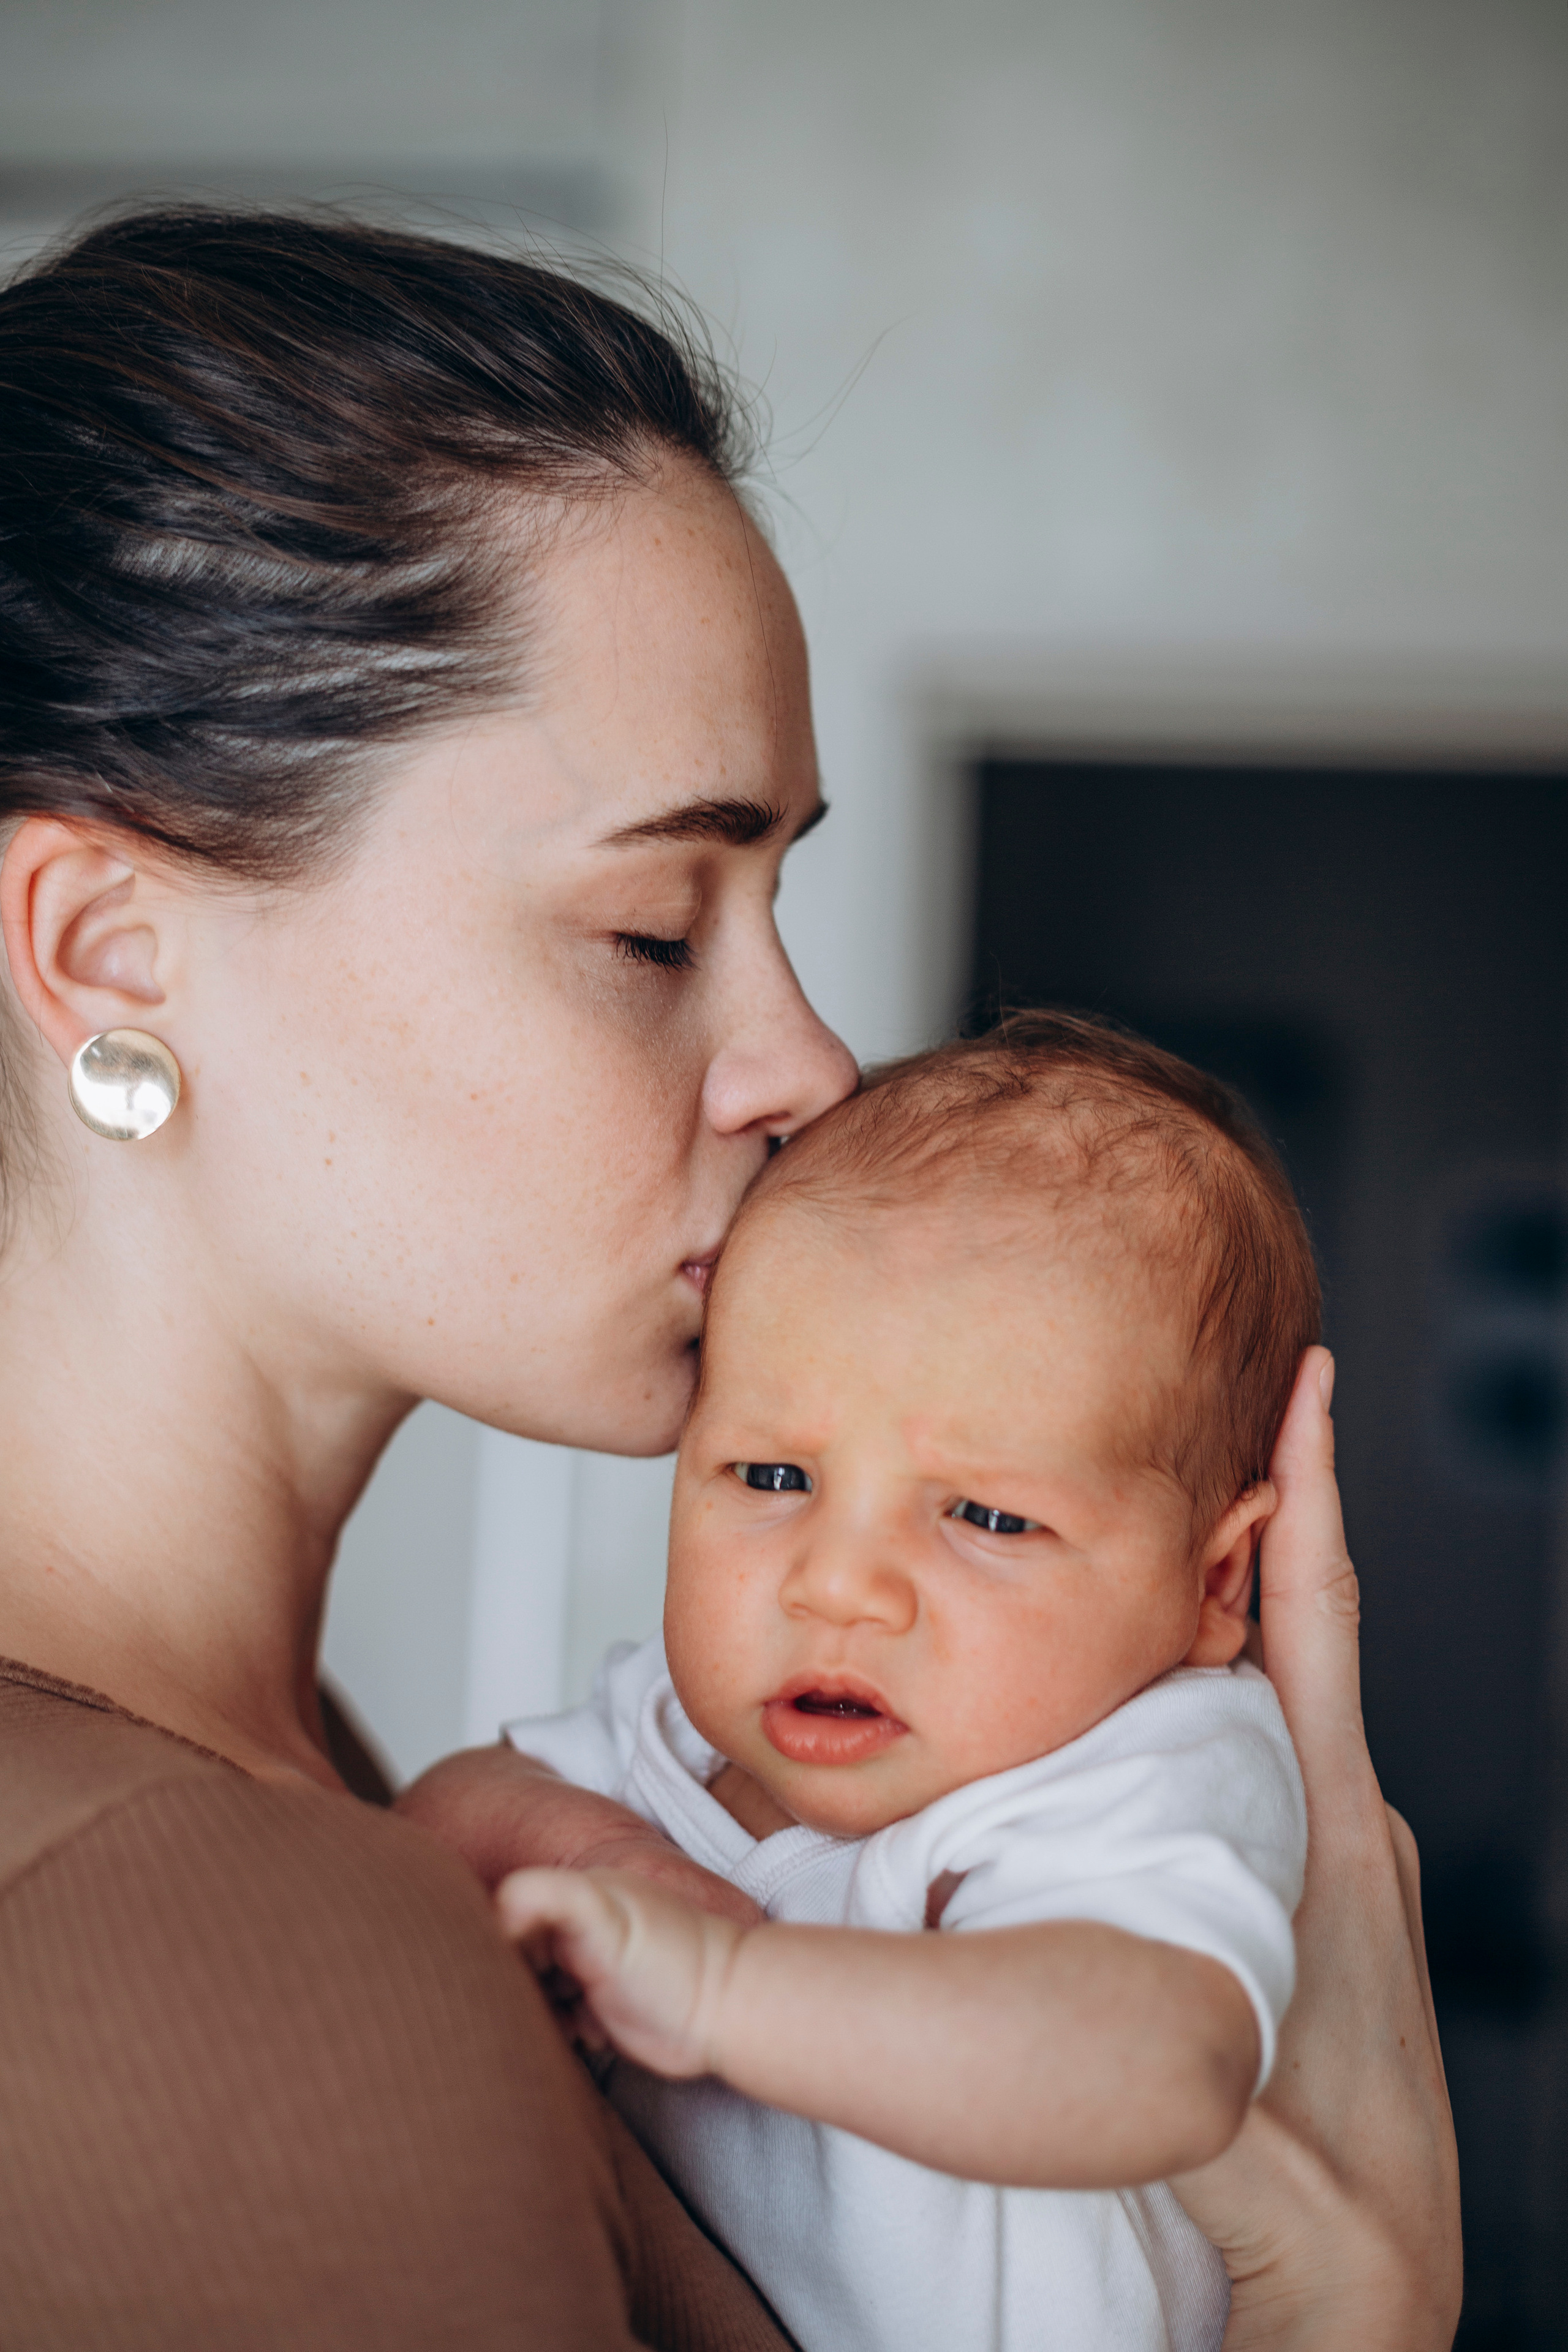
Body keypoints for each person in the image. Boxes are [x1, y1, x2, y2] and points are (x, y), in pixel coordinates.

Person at [0, 204, 1460, 2347]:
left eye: (776, 904)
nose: (807, 1067)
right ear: (112, 958)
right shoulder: (200, 1923)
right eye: (654, 932)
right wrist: (1364, 2306)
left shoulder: (338, 1785)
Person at [409, 1015, 1316, 2352]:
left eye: (985, 1520)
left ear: (1212, 1584)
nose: (837, 1586)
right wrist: (606, 1857)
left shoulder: (1147, 1764)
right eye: (772, 1480)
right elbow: (444, 1812)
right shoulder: (666, 1736)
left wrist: (726, 1994)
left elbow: (1164, 2065)